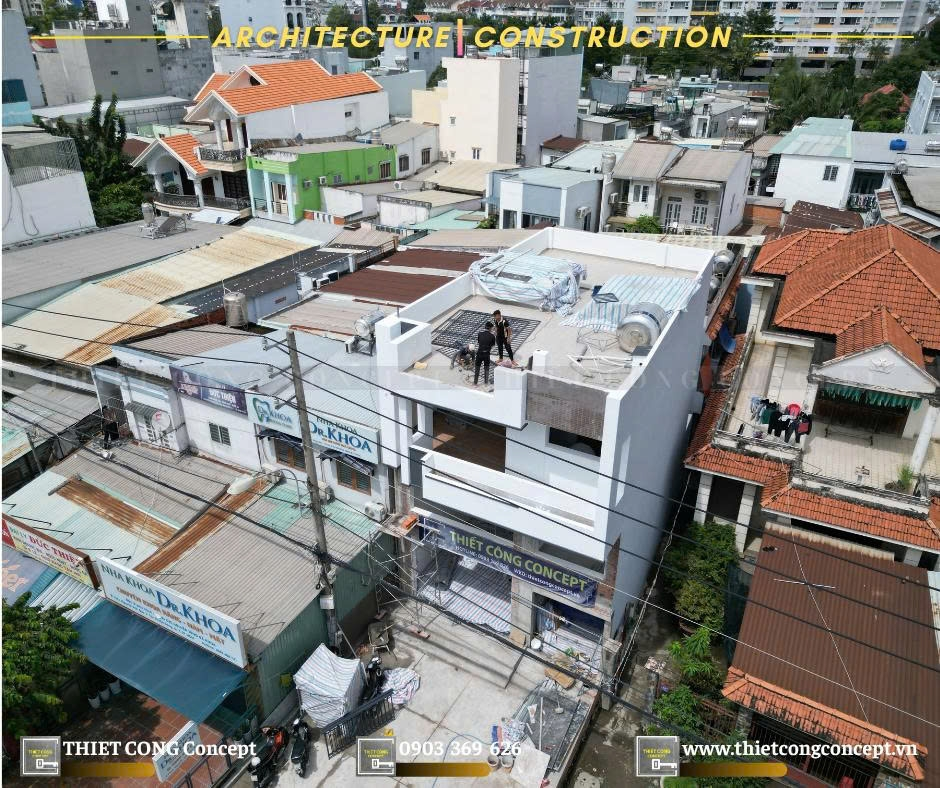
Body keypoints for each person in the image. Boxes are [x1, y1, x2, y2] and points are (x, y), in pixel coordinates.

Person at [474, 322, 496, 386]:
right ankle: (486, 383)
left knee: (477, 368)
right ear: (490, 328)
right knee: (486, 369)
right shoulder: (492, 336)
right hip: (486, 354)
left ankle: (475, 383)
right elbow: (492, 345)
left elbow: (479, 342)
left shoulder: (480, 334)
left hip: (479, 353)